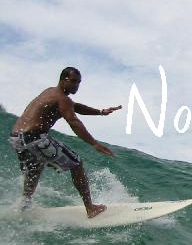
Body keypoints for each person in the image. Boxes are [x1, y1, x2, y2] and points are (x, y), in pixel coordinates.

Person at [8, 67, 122, 218]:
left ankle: (24, 206)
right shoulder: (62, 99)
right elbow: (74, 121)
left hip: (17, 137)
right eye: (73, 81)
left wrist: (100, 112)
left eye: (79, 82)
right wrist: (94, 143)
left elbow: (75, 107)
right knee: (77, 163)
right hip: (33, 138)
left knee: (35, 169)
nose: (76, 85)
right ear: (63, 79)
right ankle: (90, 208)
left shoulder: (51, 92)